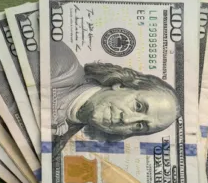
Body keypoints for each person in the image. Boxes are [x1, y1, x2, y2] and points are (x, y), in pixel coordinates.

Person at [50, 39, 179, 151]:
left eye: (140, 126)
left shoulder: (56, 145)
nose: (127, 120)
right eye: (138, 106)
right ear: (122, 85)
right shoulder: (62, 65)